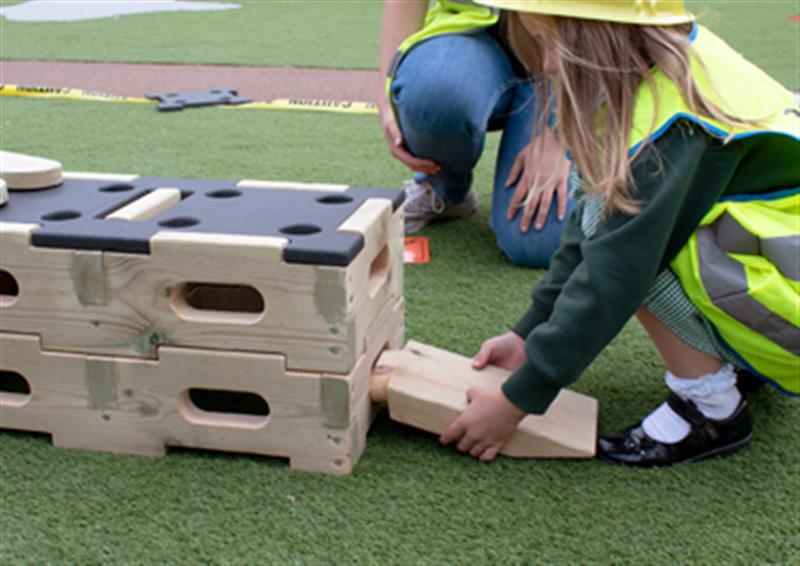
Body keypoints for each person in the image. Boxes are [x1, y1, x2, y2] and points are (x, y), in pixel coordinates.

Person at [438, 0, 799, 466]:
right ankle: (733, 357)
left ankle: (711, 410)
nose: (544, 64)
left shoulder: (667, 129)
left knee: (638, 253)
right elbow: (591, 220)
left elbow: (613, 277)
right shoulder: (657, 66)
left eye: (550, 44)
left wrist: (516, 402)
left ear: (598, 37)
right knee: (623, 227)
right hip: (776, 274)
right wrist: (529, 333)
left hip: (786, 305)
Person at [379, 0, 574, 267]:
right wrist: (386, 97)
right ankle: (445, 191)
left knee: (535, 244)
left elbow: (619, 31)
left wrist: (560, 135)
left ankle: (591, 173)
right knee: (433, 94)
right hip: (472, 35)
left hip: (569, 56)